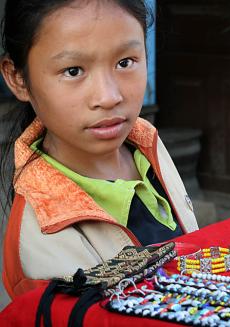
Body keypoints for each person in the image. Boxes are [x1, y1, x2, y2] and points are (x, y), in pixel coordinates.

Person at [0, 0, 198, 301]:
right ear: (18, 78)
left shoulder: (147, 142)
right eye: (73, 70)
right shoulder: (43, 236)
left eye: (125, 62)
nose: (108, 97)